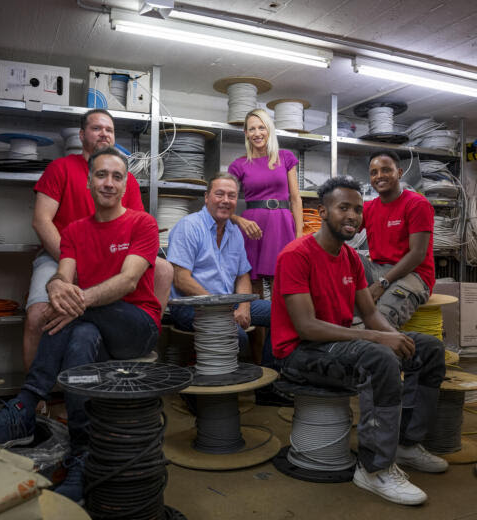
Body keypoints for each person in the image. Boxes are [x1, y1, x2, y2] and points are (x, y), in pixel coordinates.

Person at [0, 148, 161, 503]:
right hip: (93, 327)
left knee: (73, 315)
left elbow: (127, 282)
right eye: (101, 175)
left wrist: (76, 301)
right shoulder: (76, 231)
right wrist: (56, 288)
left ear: (125, 184)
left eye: (117, 176)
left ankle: (25, 406)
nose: (108, 183)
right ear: (88, 181)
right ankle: (83, 453)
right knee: (79, 337)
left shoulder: (143, 223)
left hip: (136, 326)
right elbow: (62, 276)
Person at [271, 176, 446, 506]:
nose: (352, 216)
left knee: (428, 349)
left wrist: (395, 337)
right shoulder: (296, 255)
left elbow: (370, 314)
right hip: (301, 352)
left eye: (357, 210)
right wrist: (378, 339)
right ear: (322, 211)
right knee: (379, 357)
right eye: (343, 208)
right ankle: (374, 468)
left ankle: (406, 444)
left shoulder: (351, 258)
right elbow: (307, 327)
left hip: (337, 343)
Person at [24, 108, 172, 369]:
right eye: (96, 128)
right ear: (82, 135)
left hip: (110, 255)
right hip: (60, 253)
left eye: (110, 130)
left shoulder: (129, 182)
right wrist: (74, 268)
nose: (104, 133)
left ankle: (142, 339)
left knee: (163, 269)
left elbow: (134, 225)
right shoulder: (60, 168)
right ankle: (39, 398)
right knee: (39, 315)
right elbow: (41, 221)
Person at [167, 173, 271, 363]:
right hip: (191, 306)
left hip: (227, 303)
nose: (225, 200)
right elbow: (181, 279)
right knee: (237, 337)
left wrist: (245, 307)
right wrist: (221, 307)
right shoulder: (189, 226)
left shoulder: (234, 232)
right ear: (207, 198)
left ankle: (270, 376)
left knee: (281, 313)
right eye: (219, 194)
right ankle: (223, 386)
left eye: (231, 196)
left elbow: (242, 275)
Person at [228, 108, 303, 293]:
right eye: (252, 129)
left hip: (282, 224)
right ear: (246, 133)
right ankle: (259, 321)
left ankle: (278, 322)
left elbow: (295, 199)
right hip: (252, 226)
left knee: (281, 280)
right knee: (253, 283)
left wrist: (299, 235)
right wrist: (239, 220)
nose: (257, 133)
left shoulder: (286, 157)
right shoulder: (238, 165)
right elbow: (224, 202)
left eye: (261, 127)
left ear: (269, 130)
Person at [360, 150, 434, 328]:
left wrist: (382, 283)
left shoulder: (417, 204)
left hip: (414, 274)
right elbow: (343, 231)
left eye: (386, 170)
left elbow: (417, 254)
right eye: (374, 172)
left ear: (399, 173)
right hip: (378, 269)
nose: (380, 176)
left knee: (380, 321)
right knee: (348, 257)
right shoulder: (368, 208)